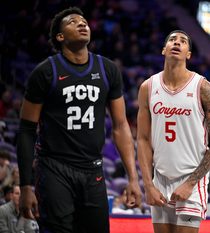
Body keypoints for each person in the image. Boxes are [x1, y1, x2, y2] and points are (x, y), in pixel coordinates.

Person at [16, 7, 142, 233]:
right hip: (54, 168)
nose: (82, 24)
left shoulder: (107, 69)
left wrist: (133, 178)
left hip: (92, 169)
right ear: (60, 36)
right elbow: (26, 129)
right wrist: (25, 185)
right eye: (73, 22)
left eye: (84, 21)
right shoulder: (45, 72)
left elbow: (121, 126)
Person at [137, 30, 210, 233]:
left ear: (189, 54)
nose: (177, 43)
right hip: (160, 178)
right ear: (163, 50)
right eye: (172, 40)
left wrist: (191, 183)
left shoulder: (203, 87)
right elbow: (142, 139)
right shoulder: (148, 87)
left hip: (191, 179)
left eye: (183, 41)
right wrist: (148, 185)